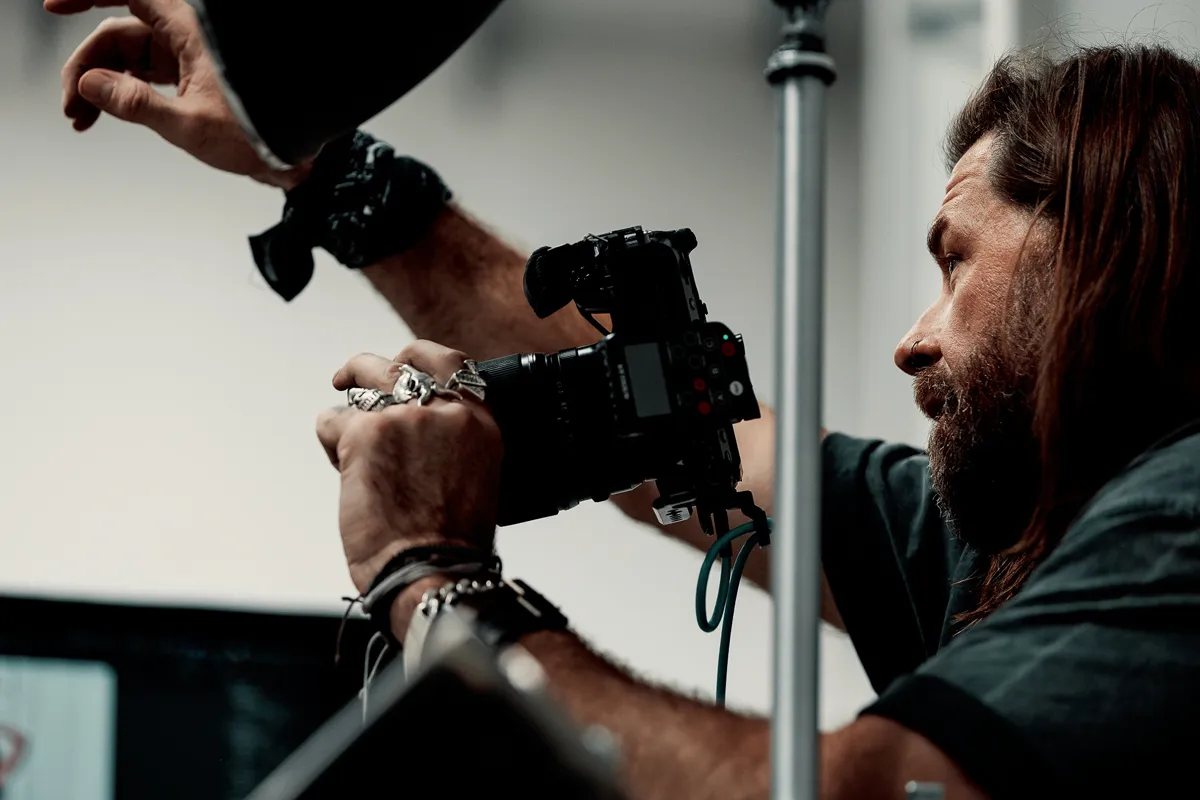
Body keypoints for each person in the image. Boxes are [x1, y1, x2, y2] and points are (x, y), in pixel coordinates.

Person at [49, 0, 1200, 797]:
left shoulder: (1185, 515)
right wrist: (322, 169)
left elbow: (862, 791)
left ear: (1101, 246)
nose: (913, 341)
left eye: (955, 261)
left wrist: (437, 583)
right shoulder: (999, 547)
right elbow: (665, 428)